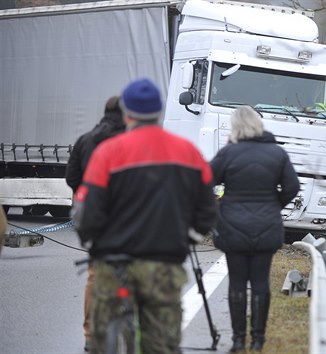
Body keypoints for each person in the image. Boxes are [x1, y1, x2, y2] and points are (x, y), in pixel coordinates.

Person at [72, 78, 217, 354]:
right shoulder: (188, 152)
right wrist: (189, 236)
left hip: (114, 263)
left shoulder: (108, 153)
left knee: (103, 340)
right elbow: (208, 208)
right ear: (160, 111)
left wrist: (92, 241)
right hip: (163, 264)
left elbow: (86, 210)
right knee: (160, 342)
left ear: (127, 113)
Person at [210, 106, 300, 352]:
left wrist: (217, 209)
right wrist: (274, 205)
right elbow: (292, 187)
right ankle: (258, 340)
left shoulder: (228, 153)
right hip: (266, 226)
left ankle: (238, 340)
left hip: (232, 227)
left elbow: (204, 181)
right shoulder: (277, 154)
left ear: (235, 126)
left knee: (237, 283)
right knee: (260, 282)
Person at [65, 95, 125, 352]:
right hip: (125, 218)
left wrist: (86, 198)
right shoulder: (128, 142)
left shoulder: (85, 140)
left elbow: (71, 178)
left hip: (94, 219)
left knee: (95, 275)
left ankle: (90, 333)